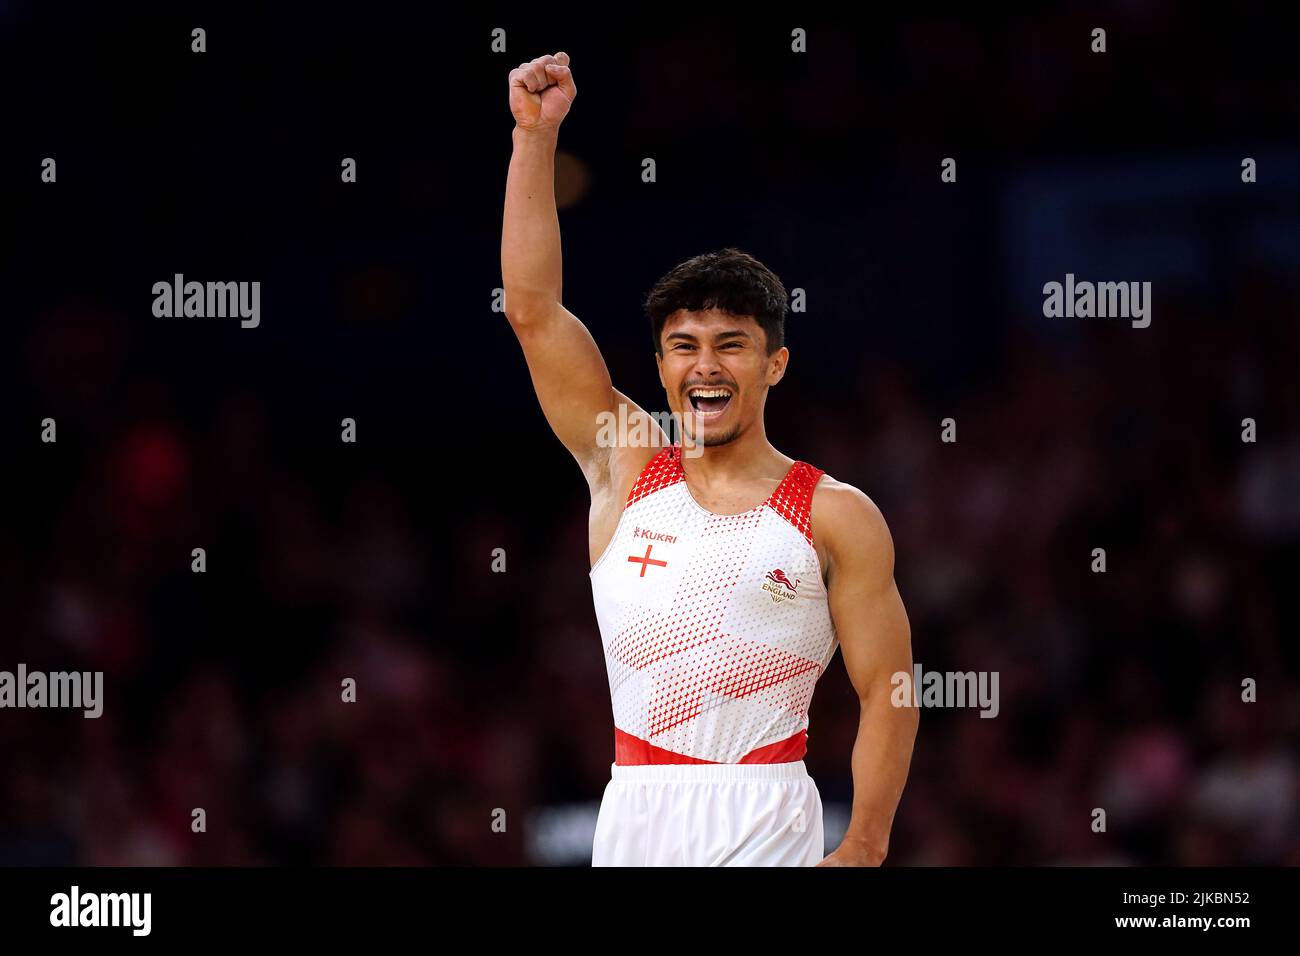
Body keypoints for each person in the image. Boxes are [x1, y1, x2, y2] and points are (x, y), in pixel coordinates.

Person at [501, 51, 918, 866]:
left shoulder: (835, 513)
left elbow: (889, 692)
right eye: (684, 347)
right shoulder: (625, 465)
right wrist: (533, 140)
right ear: (660, 368)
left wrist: (865, 844)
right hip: (634, 814)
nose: (706, 366)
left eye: (732, 345)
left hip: (768, 813)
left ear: (775, 364)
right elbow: (533, 311)